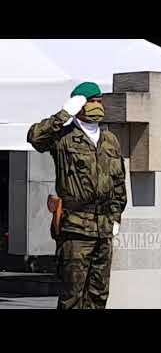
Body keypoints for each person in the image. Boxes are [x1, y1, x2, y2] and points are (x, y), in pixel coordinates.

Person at [27, 82, 127, 309]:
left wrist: (116, 216)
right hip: (75, 229)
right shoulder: (64, 137)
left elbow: (119, 182)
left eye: (99, 101)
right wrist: (63, 114)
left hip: (104, 228)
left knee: (98, 295)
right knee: (72, 296)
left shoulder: (109, 140)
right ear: (78, 104)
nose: (96, 105)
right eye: (91, 101)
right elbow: (35, 138)